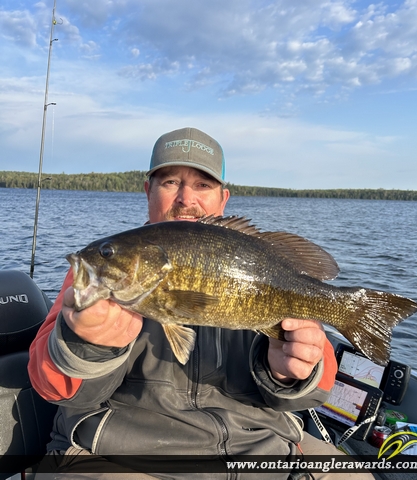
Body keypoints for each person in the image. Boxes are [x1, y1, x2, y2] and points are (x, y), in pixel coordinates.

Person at [29, 127, 374, 480]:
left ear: (223, 199)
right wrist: (86, 346)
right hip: (126, 457)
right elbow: (52, 387)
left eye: (203, 185)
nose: (185, 199)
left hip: (256, 454)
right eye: (170, 182)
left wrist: (290, 373)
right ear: (148, 191)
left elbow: (318, 388)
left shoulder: (260, 260)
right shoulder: (104, 273)